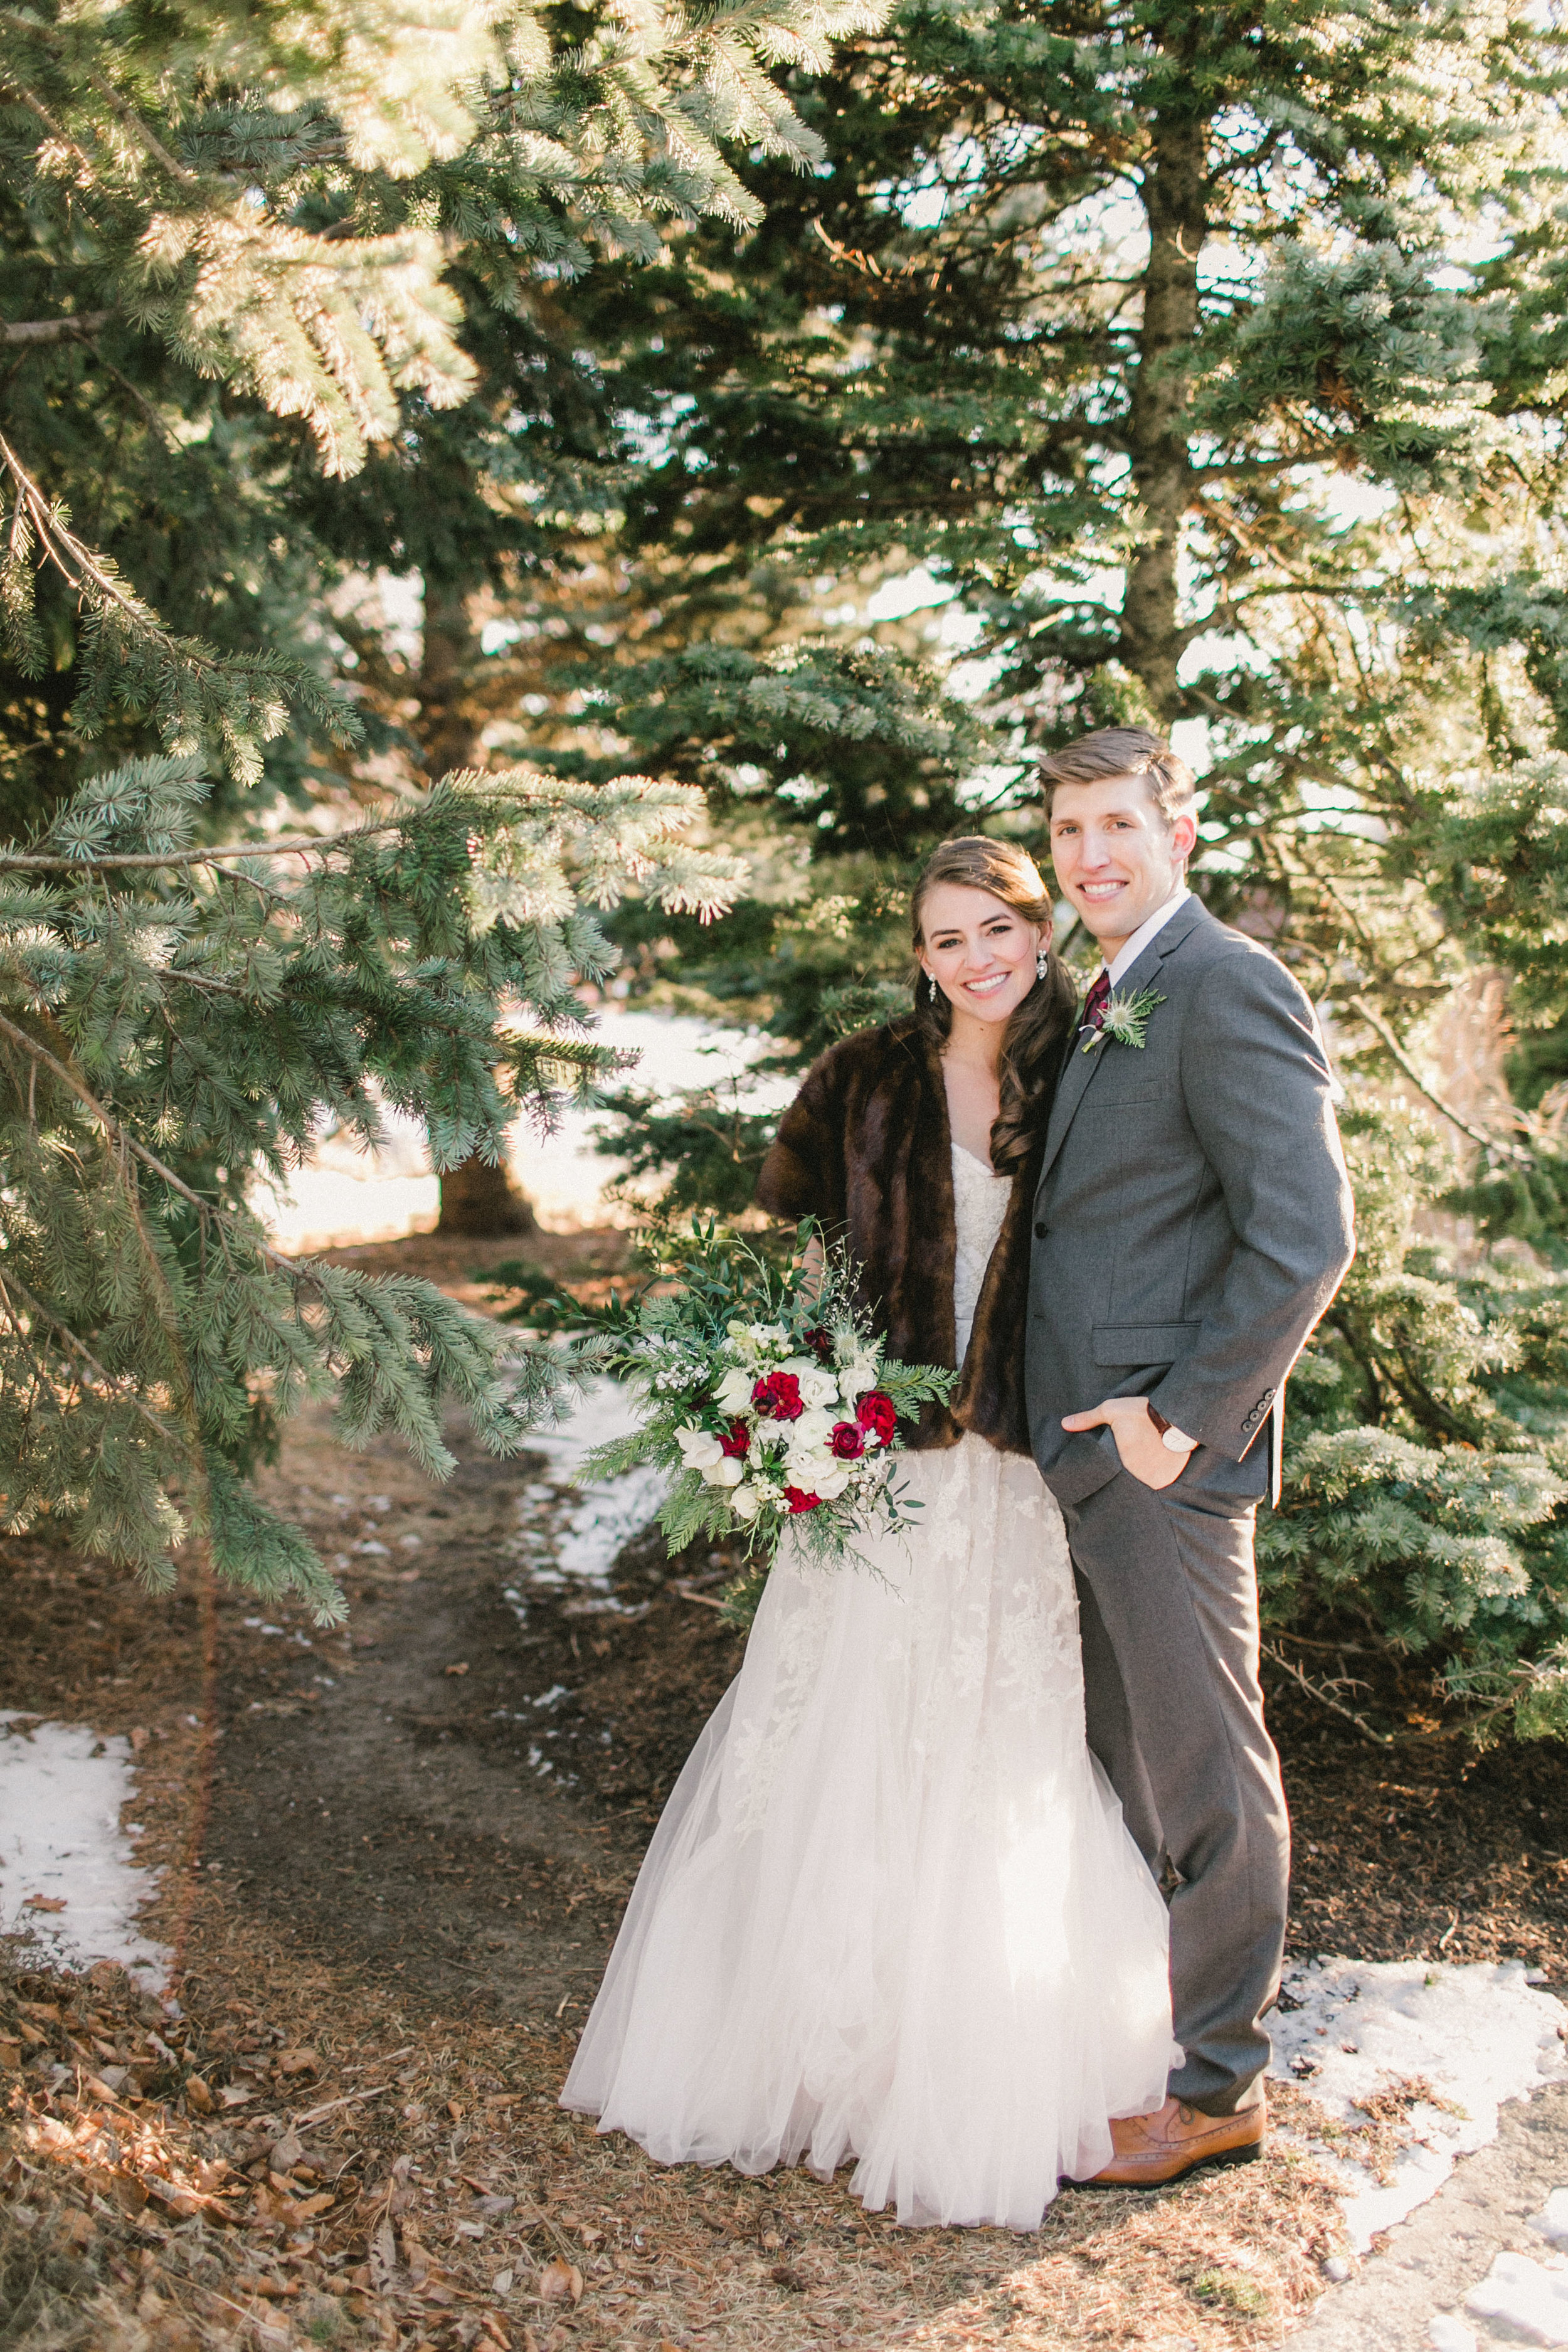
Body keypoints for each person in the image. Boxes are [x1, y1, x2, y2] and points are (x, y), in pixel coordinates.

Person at [561, 837, 1181, 2228]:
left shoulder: (1087, 1066)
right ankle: (800, 2053)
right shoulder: (858, 1076)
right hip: (874, 1471)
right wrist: (787, 1404)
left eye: (997, 930)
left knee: (989, 1740)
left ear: (1037, 932)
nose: (975, 959)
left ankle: (971, 2051)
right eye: (946, 938)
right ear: (918, 955)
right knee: (833, 1723)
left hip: (1018, 1465)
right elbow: (781, 1254)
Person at [1027, 726, 1356, 2186]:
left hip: (1162, 1464)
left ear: (1178, 828)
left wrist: (1177, 1420)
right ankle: (1146, 2045)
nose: (1088, 857)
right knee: (1133, 1772)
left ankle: (1219, 2087)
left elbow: (1304, 1234)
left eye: (1114, 825)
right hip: (1083, 1462)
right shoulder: (1108, 992)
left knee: (1206, 1769)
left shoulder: (1223, 982)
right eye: (1065, 835)